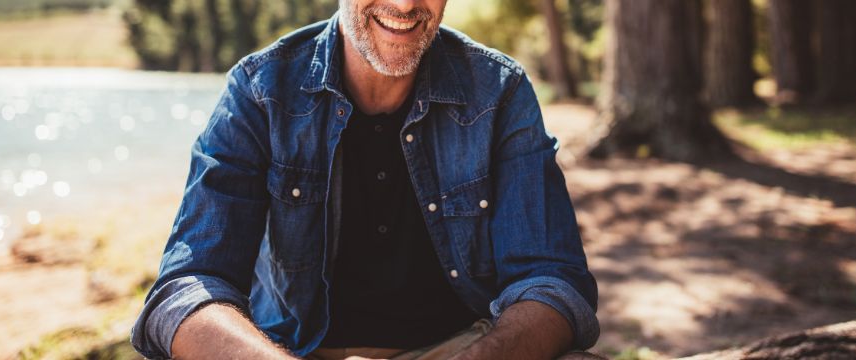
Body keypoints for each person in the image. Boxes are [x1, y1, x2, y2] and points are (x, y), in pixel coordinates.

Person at [130, 0, 600, 359]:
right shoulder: (261, 90)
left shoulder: (499, 91)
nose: (403, 6)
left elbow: (552, 281)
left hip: (464, 349)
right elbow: (189, 286)